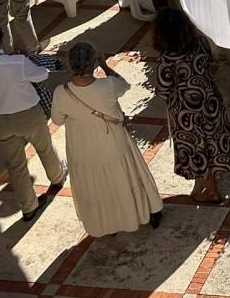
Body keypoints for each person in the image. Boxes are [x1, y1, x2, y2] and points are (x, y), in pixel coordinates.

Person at [53, 42, 163, 236]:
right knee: (126, 177)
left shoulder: (61, 92)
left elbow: (57, 120)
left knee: (96, 188)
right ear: (93, 63)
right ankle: (148, 211)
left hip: (83, 148)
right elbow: (125, 84)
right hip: (113, 142)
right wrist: (105, 66)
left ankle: (106, 224)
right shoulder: (108, 86)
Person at [0, 22, 67, 221]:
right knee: (45, 148)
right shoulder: (18, 62)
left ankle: (29, 207)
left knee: (15, 164)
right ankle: (57, 178)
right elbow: (41, 75)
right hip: (28, 114)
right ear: (2, 39)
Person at [152, 7, 230, 204]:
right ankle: (211, 180)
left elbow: (163, 90)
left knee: (197, 147)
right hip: (210, 100)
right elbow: (211, 65)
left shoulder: (167, 58)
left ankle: (212, 192)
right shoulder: (199, 43)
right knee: (213, 140)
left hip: (185, 111)